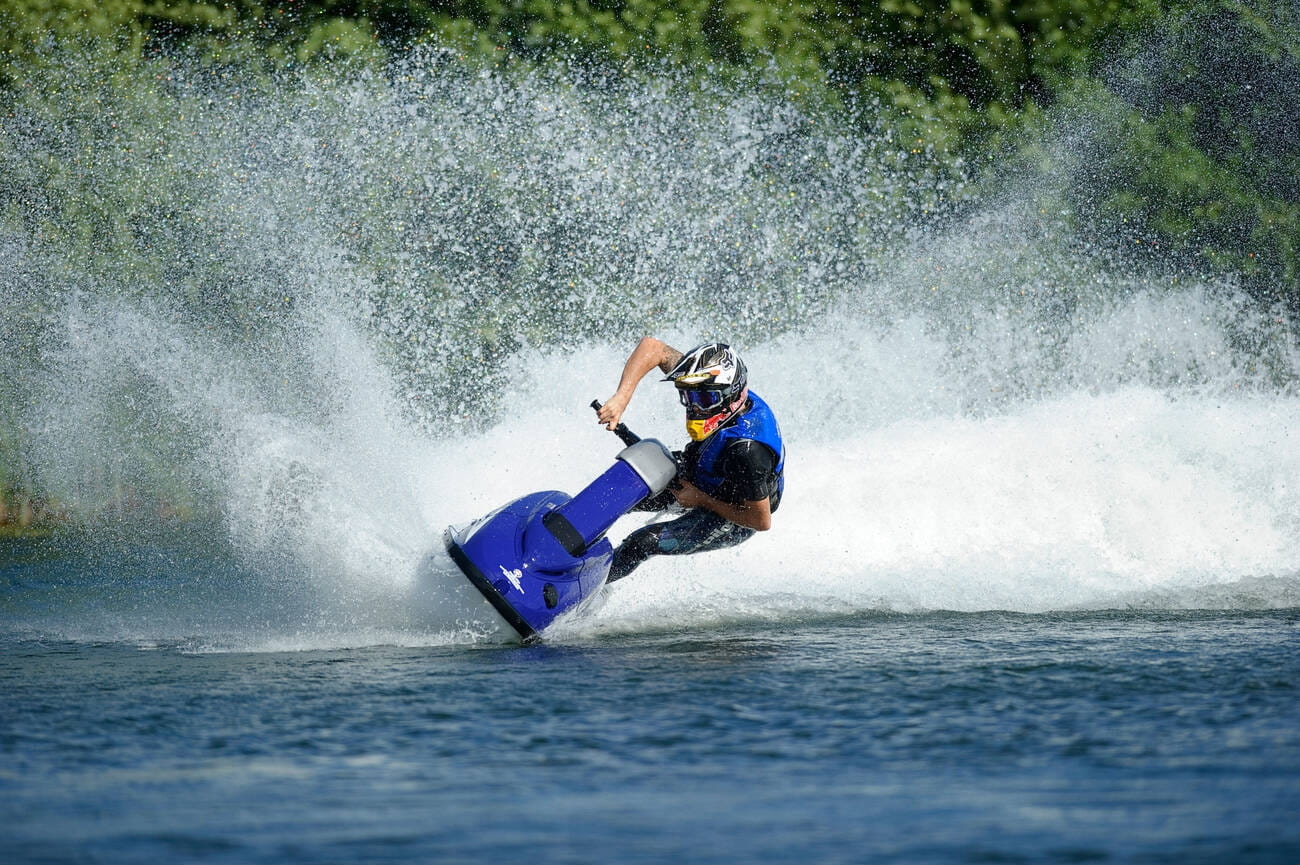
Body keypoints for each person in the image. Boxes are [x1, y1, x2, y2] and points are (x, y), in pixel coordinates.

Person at [596, 338, 785, 581]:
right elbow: (654, 348)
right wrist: (621, 399)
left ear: (731, 396)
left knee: (642, 542)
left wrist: (700, 499)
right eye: (688, 396)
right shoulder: (710, 382)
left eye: (703, 401)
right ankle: (566, 542)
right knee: (616, 495)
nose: (694, 408)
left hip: (733, 513)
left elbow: (760, 520)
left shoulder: (748, 452)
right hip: (702, 474)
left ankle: (585, 594)